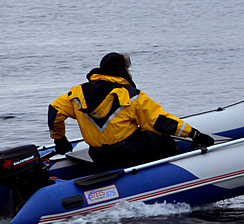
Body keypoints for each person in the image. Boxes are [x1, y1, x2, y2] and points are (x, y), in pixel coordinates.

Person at [48, 52, 215, 168]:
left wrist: (60, 139)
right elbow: (159, 121)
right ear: (121, 71)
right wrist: (194, 134)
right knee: (160, 137)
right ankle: (175, 172)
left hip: (98, 154)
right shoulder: (130, 95)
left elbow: (55, 111)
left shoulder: (77, 93)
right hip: (126, 151)